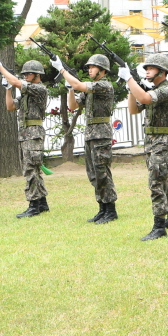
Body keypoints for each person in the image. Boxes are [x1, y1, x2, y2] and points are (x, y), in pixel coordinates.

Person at [123, 53, 168, 241]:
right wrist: (131, 89)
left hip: (163, 139)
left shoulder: (167, 90)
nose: (147, 71)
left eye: (151, 68)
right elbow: (133, 109)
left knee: (156, 180)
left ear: (162, 72)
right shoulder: (152, 90)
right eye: (146, 68)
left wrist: (131, 80)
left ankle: (159, 225)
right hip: (153, 140)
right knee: (163, 178)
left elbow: (146, 99)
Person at [58, 53, 119, 224]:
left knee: (102, 172)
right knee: (93, 173)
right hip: (91, 134)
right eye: (89, 67)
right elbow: (73, 106)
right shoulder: (92, 88)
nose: (89, 70)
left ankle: (110, 209)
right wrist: (70, 89)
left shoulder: (104, 85)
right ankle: (102, 207)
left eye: (92, 67)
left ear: (102, 70)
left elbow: (78, 84)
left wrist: (62, 70)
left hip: (101, 134)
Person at [0, 59, 50, 218]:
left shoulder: (39, 89)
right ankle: (41, 203)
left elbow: (15, 81)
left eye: (29, 73)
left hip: (33, 134)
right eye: (25, 73)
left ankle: (34, 205)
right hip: (26, 134)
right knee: (33, 168)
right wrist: (8, 89)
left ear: (37, 75)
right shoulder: (27, 94)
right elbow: (10, 106)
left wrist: (0, 67)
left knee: (30, 169)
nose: (26, 75)